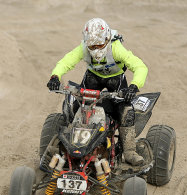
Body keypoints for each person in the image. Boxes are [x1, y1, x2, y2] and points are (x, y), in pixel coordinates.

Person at [47, 18, 148, 166]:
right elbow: (66, 61)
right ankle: (65, 145)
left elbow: (140, 67)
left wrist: (134, 86)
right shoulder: (82, 48)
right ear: (86, 43)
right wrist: (55, 76)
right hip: (93, 78)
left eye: (99, 45)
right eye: (91, 46)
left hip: (115, 79)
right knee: (76, 107)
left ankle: (129, 151)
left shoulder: (116, 48)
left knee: (126, 112)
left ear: (108, 39)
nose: (96, 49)